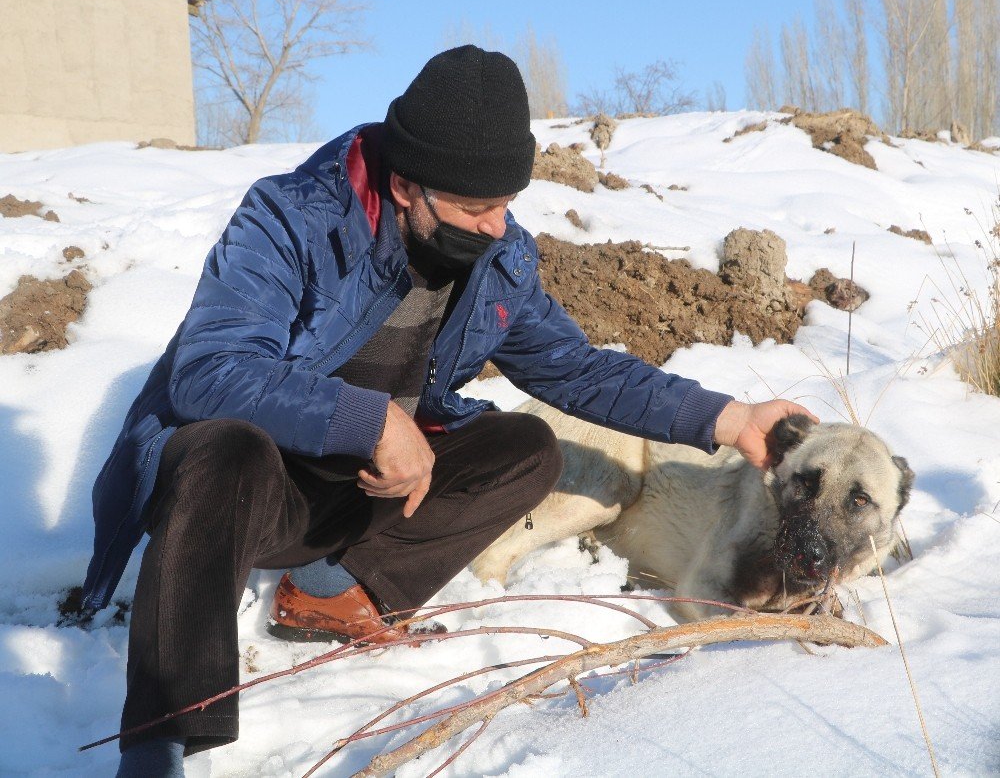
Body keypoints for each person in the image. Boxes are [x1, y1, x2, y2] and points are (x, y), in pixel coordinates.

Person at [82, 46, 814, 776]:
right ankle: (162, 743)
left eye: (505, 204)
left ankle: (332, 590)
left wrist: (728, 417)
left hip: (365, 488)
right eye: (475, 208)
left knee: (527, 447)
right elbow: (210, 370)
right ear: (405, 185)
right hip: (248, 495)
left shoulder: (498, 258)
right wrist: (368, 419)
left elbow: (576, 367)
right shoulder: (289, 220)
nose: (498, 226)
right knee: (220, 449)